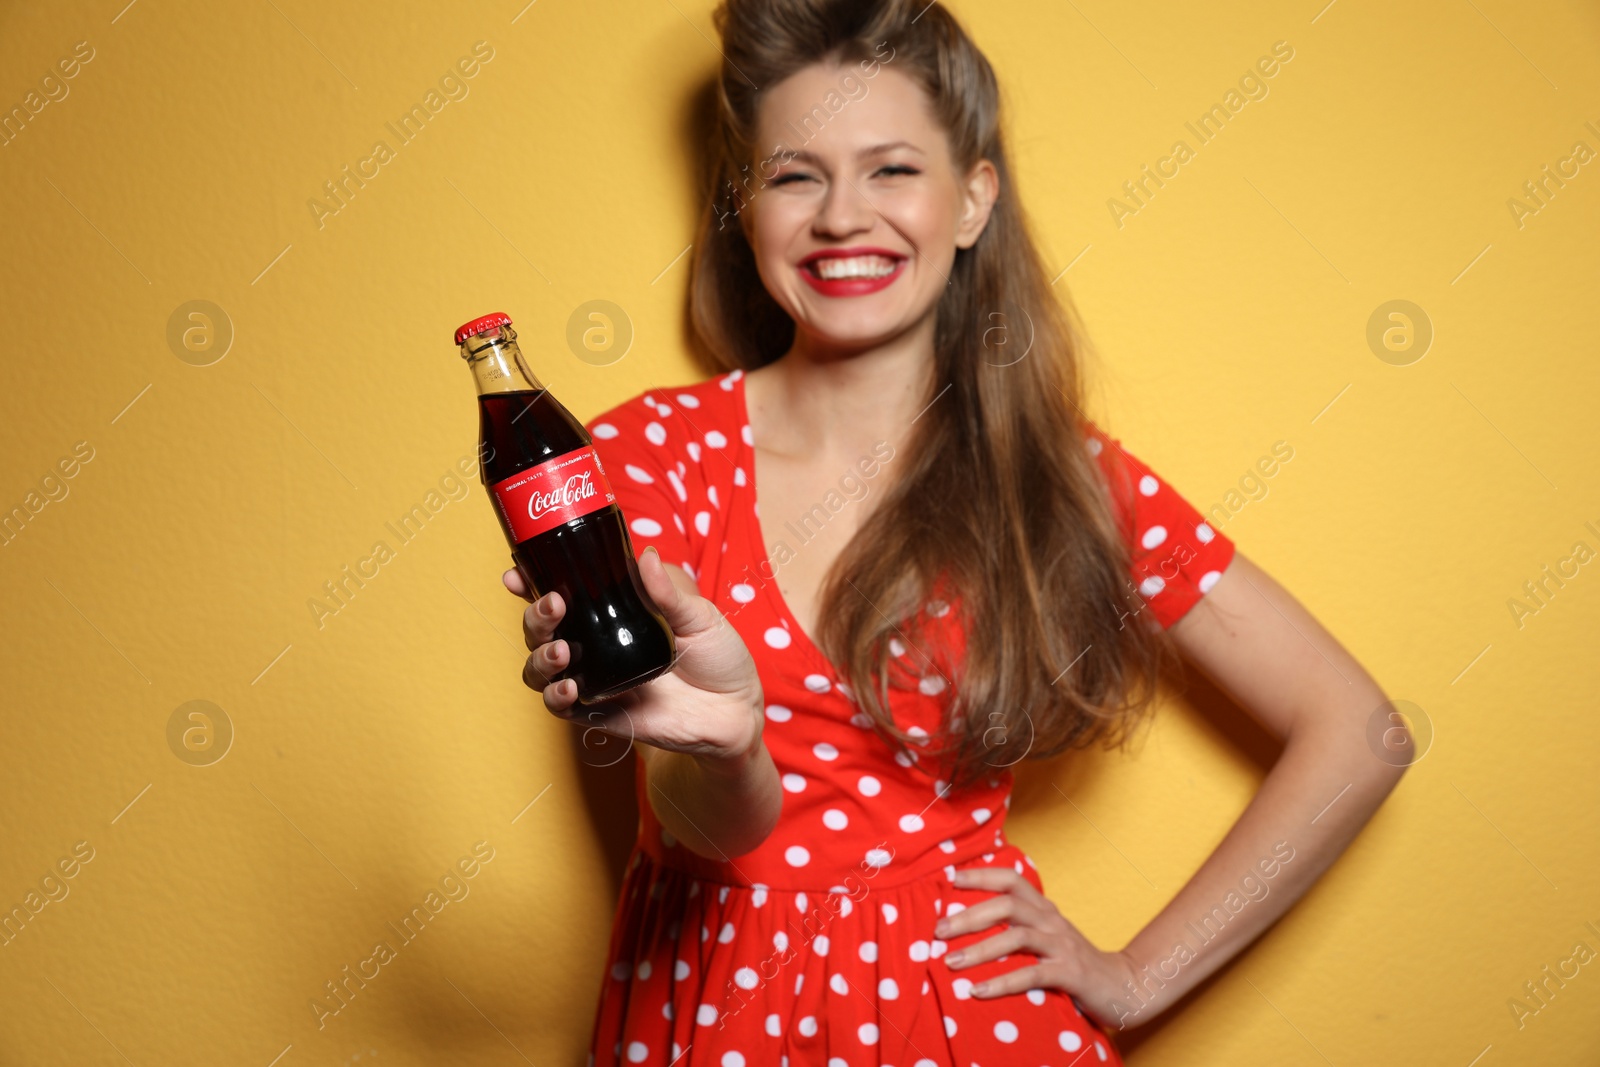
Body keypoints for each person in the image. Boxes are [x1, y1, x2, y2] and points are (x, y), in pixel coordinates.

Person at [501, 1, 1408, 1063]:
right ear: (745, 209)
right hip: (715, 1011)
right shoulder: (644, 454)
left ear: (973, 199)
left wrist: (1135, 977)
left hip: (973, 1019)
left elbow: (1360, 730)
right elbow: (706, 812)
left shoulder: (1053, 477)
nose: (843, 215)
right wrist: (733, 739)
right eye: (796, 175)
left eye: (892, 170)